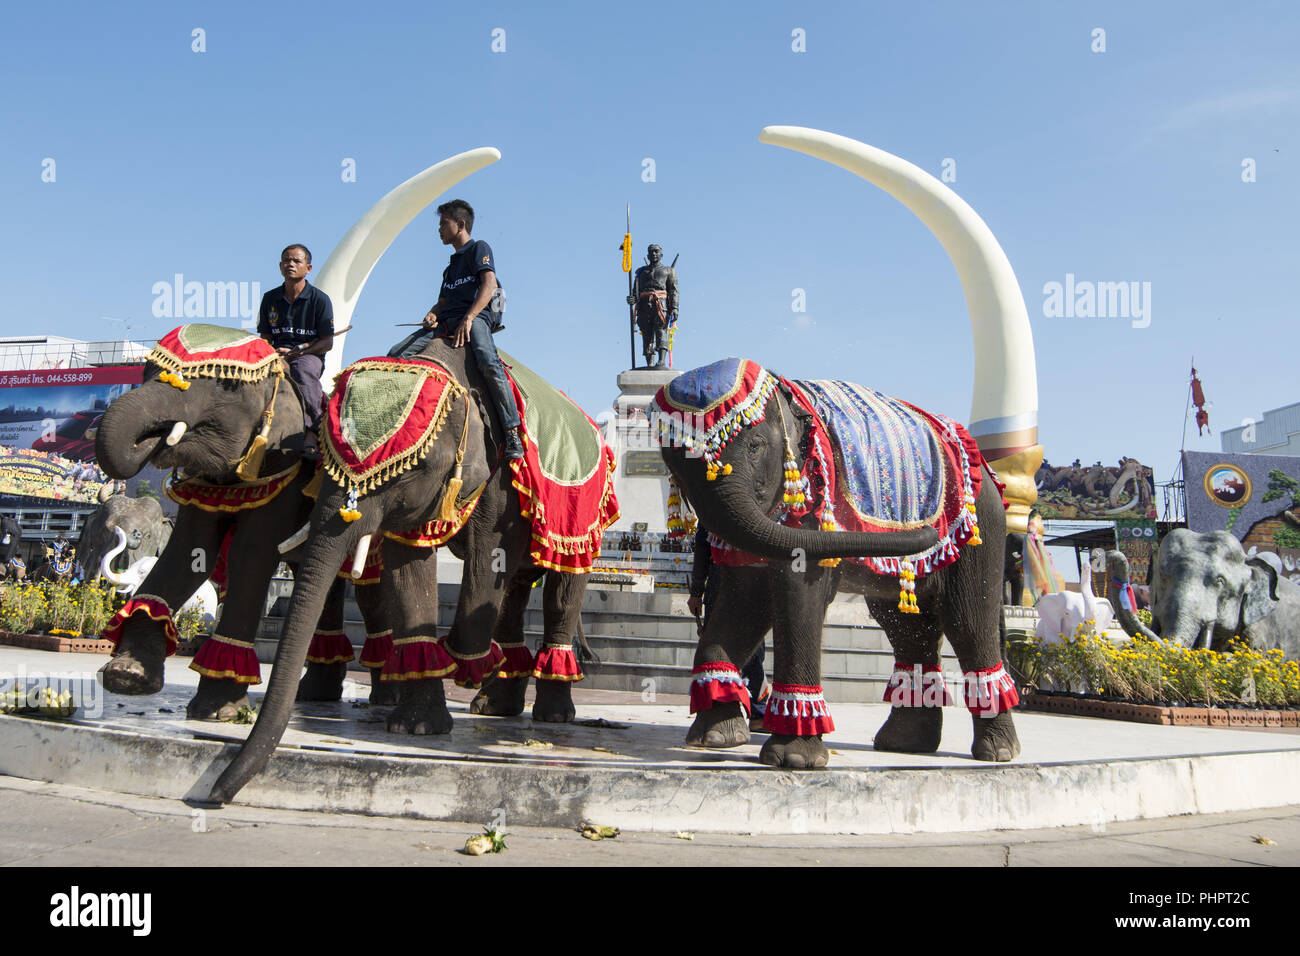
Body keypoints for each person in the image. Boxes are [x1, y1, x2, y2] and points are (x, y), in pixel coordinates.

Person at [389, 199, 523, 460]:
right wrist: (432, 314)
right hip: (448, 321)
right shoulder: (450, 268)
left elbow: (489, 284)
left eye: (443, 224)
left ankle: (510, 430)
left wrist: (470, 317)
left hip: (476, 318)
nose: (439, 230)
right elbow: (443, 302)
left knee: (487, 360)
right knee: (395, 355)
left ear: (460, 225)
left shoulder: (479, 249)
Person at [688, 523, 768, 730]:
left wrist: (696, 592)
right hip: (743, 591)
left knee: (726, 649)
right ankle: (748, 710)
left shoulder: (713, 510)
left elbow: (702, 549)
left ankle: (745, 709)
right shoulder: (711, 515)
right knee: (750, 652)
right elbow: (703, 547)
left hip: (726, 592)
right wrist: (697, 591)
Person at [257, 244, 334, 432]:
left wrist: (299, 351)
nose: (290, 264)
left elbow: (327, 342)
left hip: (308, 356)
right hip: (276, 356)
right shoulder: (270, 298)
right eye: (286, 260)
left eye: (296, 261)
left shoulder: (320, 299)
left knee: (302, 370)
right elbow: (265, 337)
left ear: (308, 269)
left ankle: (313, 429)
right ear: (280, 266)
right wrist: (270, 354)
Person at [627, 244, 678, 369]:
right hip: (644, 306)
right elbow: (636, 291)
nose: (654, 254)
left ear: (661, 255)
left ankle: (661, 360)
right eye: (651, 252)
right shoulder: (641, 272)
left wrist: (675, 307)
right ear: (647, 255)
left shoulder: (668, 271)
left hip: (661, 305)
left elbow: (674, 291)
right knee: (646, 333)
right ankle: (649, 361)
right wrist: (632, 298)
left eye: (656, 252)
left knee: (661, 331)